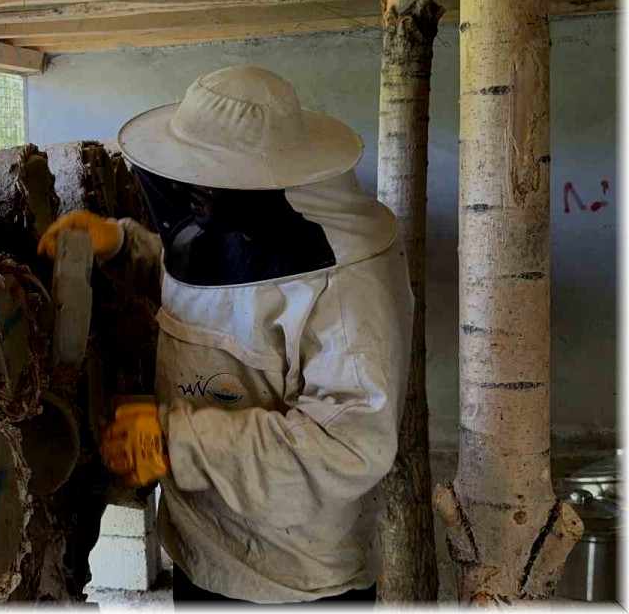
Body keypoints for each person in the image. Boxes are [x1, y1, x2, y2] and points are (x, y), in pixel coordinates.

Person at [37, 66, 413, 604]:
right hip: (201, 549)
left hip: (294, 579)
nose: (188, 185)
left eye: (207, 174)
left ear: (261, 178)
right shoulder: (243, 223)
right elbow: (214, 296)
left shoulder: (348, 287)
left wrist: (177, 440)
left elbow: (347, 446)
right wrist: (122, 247)